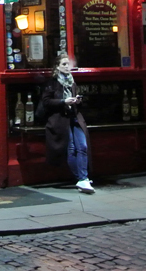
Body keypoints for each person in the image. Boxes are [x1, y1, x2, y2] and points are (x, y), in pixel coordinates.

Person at [40, 55, 94, 194]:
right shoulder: (52, 83)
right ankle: (82, 178)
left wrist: (77, 100)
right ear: (57, 66)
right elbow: (46, 101)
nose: (66, 66)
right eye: (63, 64)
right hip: (60, 119)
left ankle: (83, 178)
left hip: (74, 117)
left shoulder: (72, 81)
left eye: (67, 64)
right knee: (71, 148)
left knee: (82, 146)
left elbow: (76, 98)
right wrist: (63, 102)